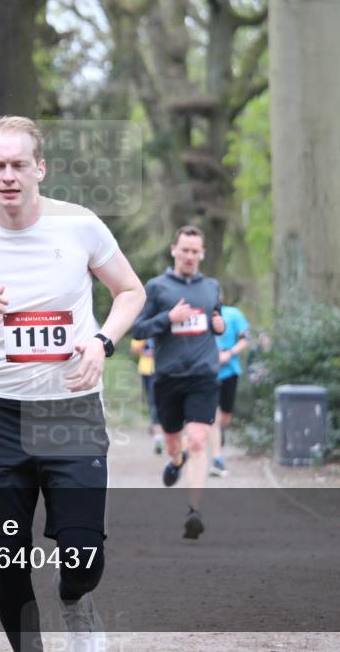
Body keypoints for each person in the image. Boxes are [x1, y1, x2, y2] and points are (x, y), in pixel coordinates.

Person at [0, 116, 145, 652]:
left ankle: (74, 599)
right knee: (6, 562)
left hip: (70, 411)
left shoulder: (81, 225)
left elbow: (130, 292)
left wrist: (101, 343)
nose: (9, 176)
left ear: (39, 168)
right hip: (0, 416)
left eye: (19, 164)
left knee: (83, 555)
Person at [131, 225, 225, 539]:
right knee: (174, 442)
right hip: (168, 377)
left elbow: (216, 318)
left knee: (198, 439)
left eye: (194, 251)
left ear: (202, 254)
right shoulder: (157, 287)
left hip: (204, 376)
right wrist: (168, 319)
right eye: (184, 250)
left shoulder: (211, 286)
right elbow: (138, 329)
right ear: (174, 250)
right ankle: (176, 459)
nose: (188, 256)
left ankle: (193, 511)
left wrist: (219, 324)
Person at [211, 295, 250, 477]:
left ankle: (220, 433)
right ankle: (217, 458)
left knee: (225, 417)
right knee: (214, 417)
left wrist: (229, 353)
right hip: (207, 373)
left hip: (230, 371)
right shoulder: (201, 315)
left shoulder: (234, 314)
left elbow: (245, 339)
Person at [129, 338, 163, 454]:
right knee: (152, 401)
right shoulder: (143, 327)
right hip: (147, 370)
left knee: (160, 402)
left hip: (163, 369)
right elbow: (133, 349)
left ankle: (159, 431)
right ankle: (157, 433)